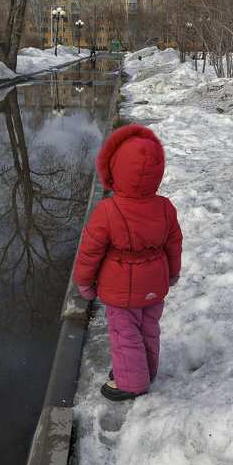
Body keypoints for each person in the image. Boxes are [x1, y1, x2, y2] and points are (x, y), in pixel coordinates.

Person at [73, 124, 182, 401]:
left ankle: (132, 383)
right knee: (148, 329)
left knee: (124, 334)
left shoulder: (108, 211)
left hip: (121, 291)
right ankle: (146, 370)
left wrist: (85, 282)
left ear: (114, 170)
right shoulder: (165, 207)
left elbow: (90, 251)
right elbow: (173, 245)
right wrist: (172, 273)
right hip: (154, 285)